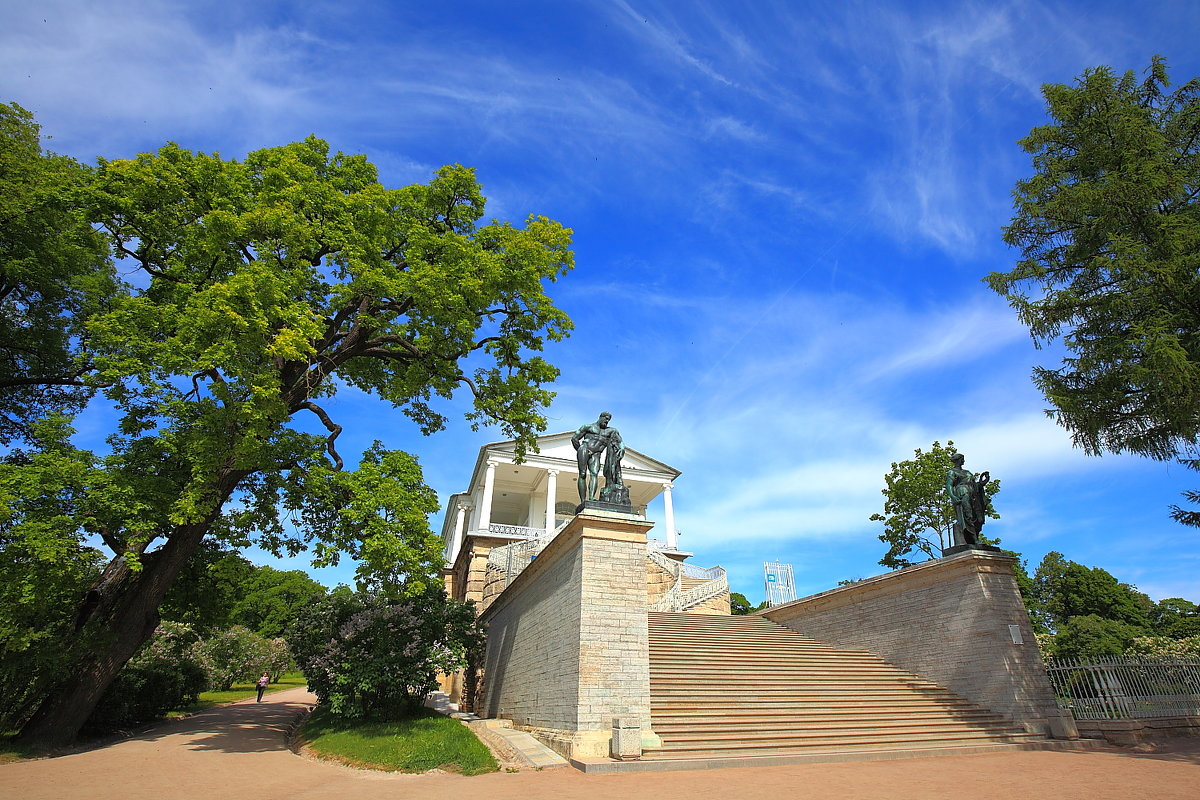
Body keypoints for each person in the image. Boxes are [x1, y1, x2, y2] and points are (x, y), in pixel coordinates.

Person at [571, 411, 624, 503]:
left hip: (596, 454)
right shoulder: (588, 427)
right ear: (600, 417)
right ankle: (583, 500)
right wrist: (580, 450)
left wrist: (622, 448)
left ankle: (591, 497)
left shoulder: (611, 431)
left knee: (594, 473)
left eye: (608, 420)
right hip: (585, 449)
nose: (607, 421)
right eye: (605, 419)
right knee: (582, 474)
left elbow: (620, 442)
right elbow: (574, 438)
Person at [945, 453, 990, 546]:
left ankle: (976, 537)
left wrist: (982, 483)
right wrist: (953, 497)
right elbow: (949, 485)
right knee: (968, 515)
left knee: (979, 517)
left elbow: (975, 485)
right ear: (958, 460)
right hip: (962, 493)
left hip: (973, 494)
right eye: (962, 459)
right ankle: (974, 539)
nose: (963, 461)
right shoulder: (951, 472)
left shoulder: (967, 472)